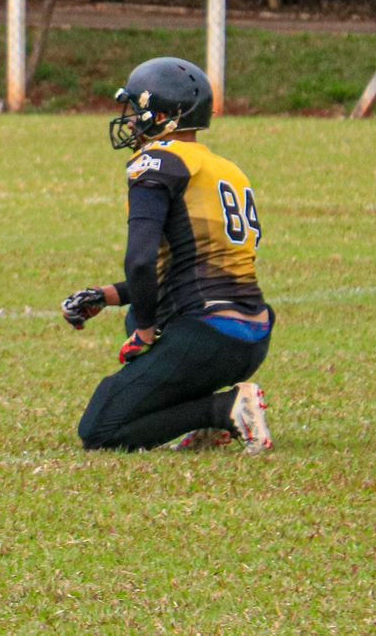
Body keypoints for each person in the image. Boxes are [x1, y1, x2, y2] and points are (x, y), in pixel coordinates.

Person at [62, 56, 274, 453]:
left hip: (205, 336)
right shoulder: (225, 168)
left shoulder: (156, 162)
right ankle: (213, 410)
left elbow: (141, 260)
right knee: (135, 311)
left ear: (163, 116)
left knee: (101, 430)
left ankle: (224, 410)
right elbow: (190, 266)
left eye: (137, 110)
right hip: (250, 338)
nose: (130, 121)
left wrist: (143, 331)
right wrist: (106, 295)